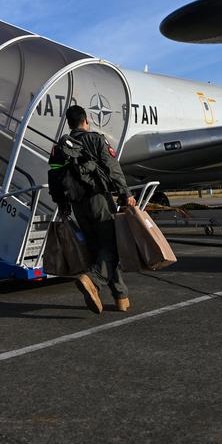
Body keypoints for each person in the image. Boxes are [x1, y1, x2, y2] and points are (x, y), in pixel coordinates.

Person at [48, 105, 136, 314]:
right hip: (99, 200)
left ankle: (120, 297)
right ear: (85, 121)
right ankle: (92, 280)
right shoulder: (96, 139)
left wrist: (62, 204)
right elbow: (113, 168)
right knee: (112, 246)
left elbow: (54, 177)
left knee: (100, 248)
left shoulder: (60, 148)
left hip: (78, 205)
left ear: (69, 124)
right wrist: (126, 194)